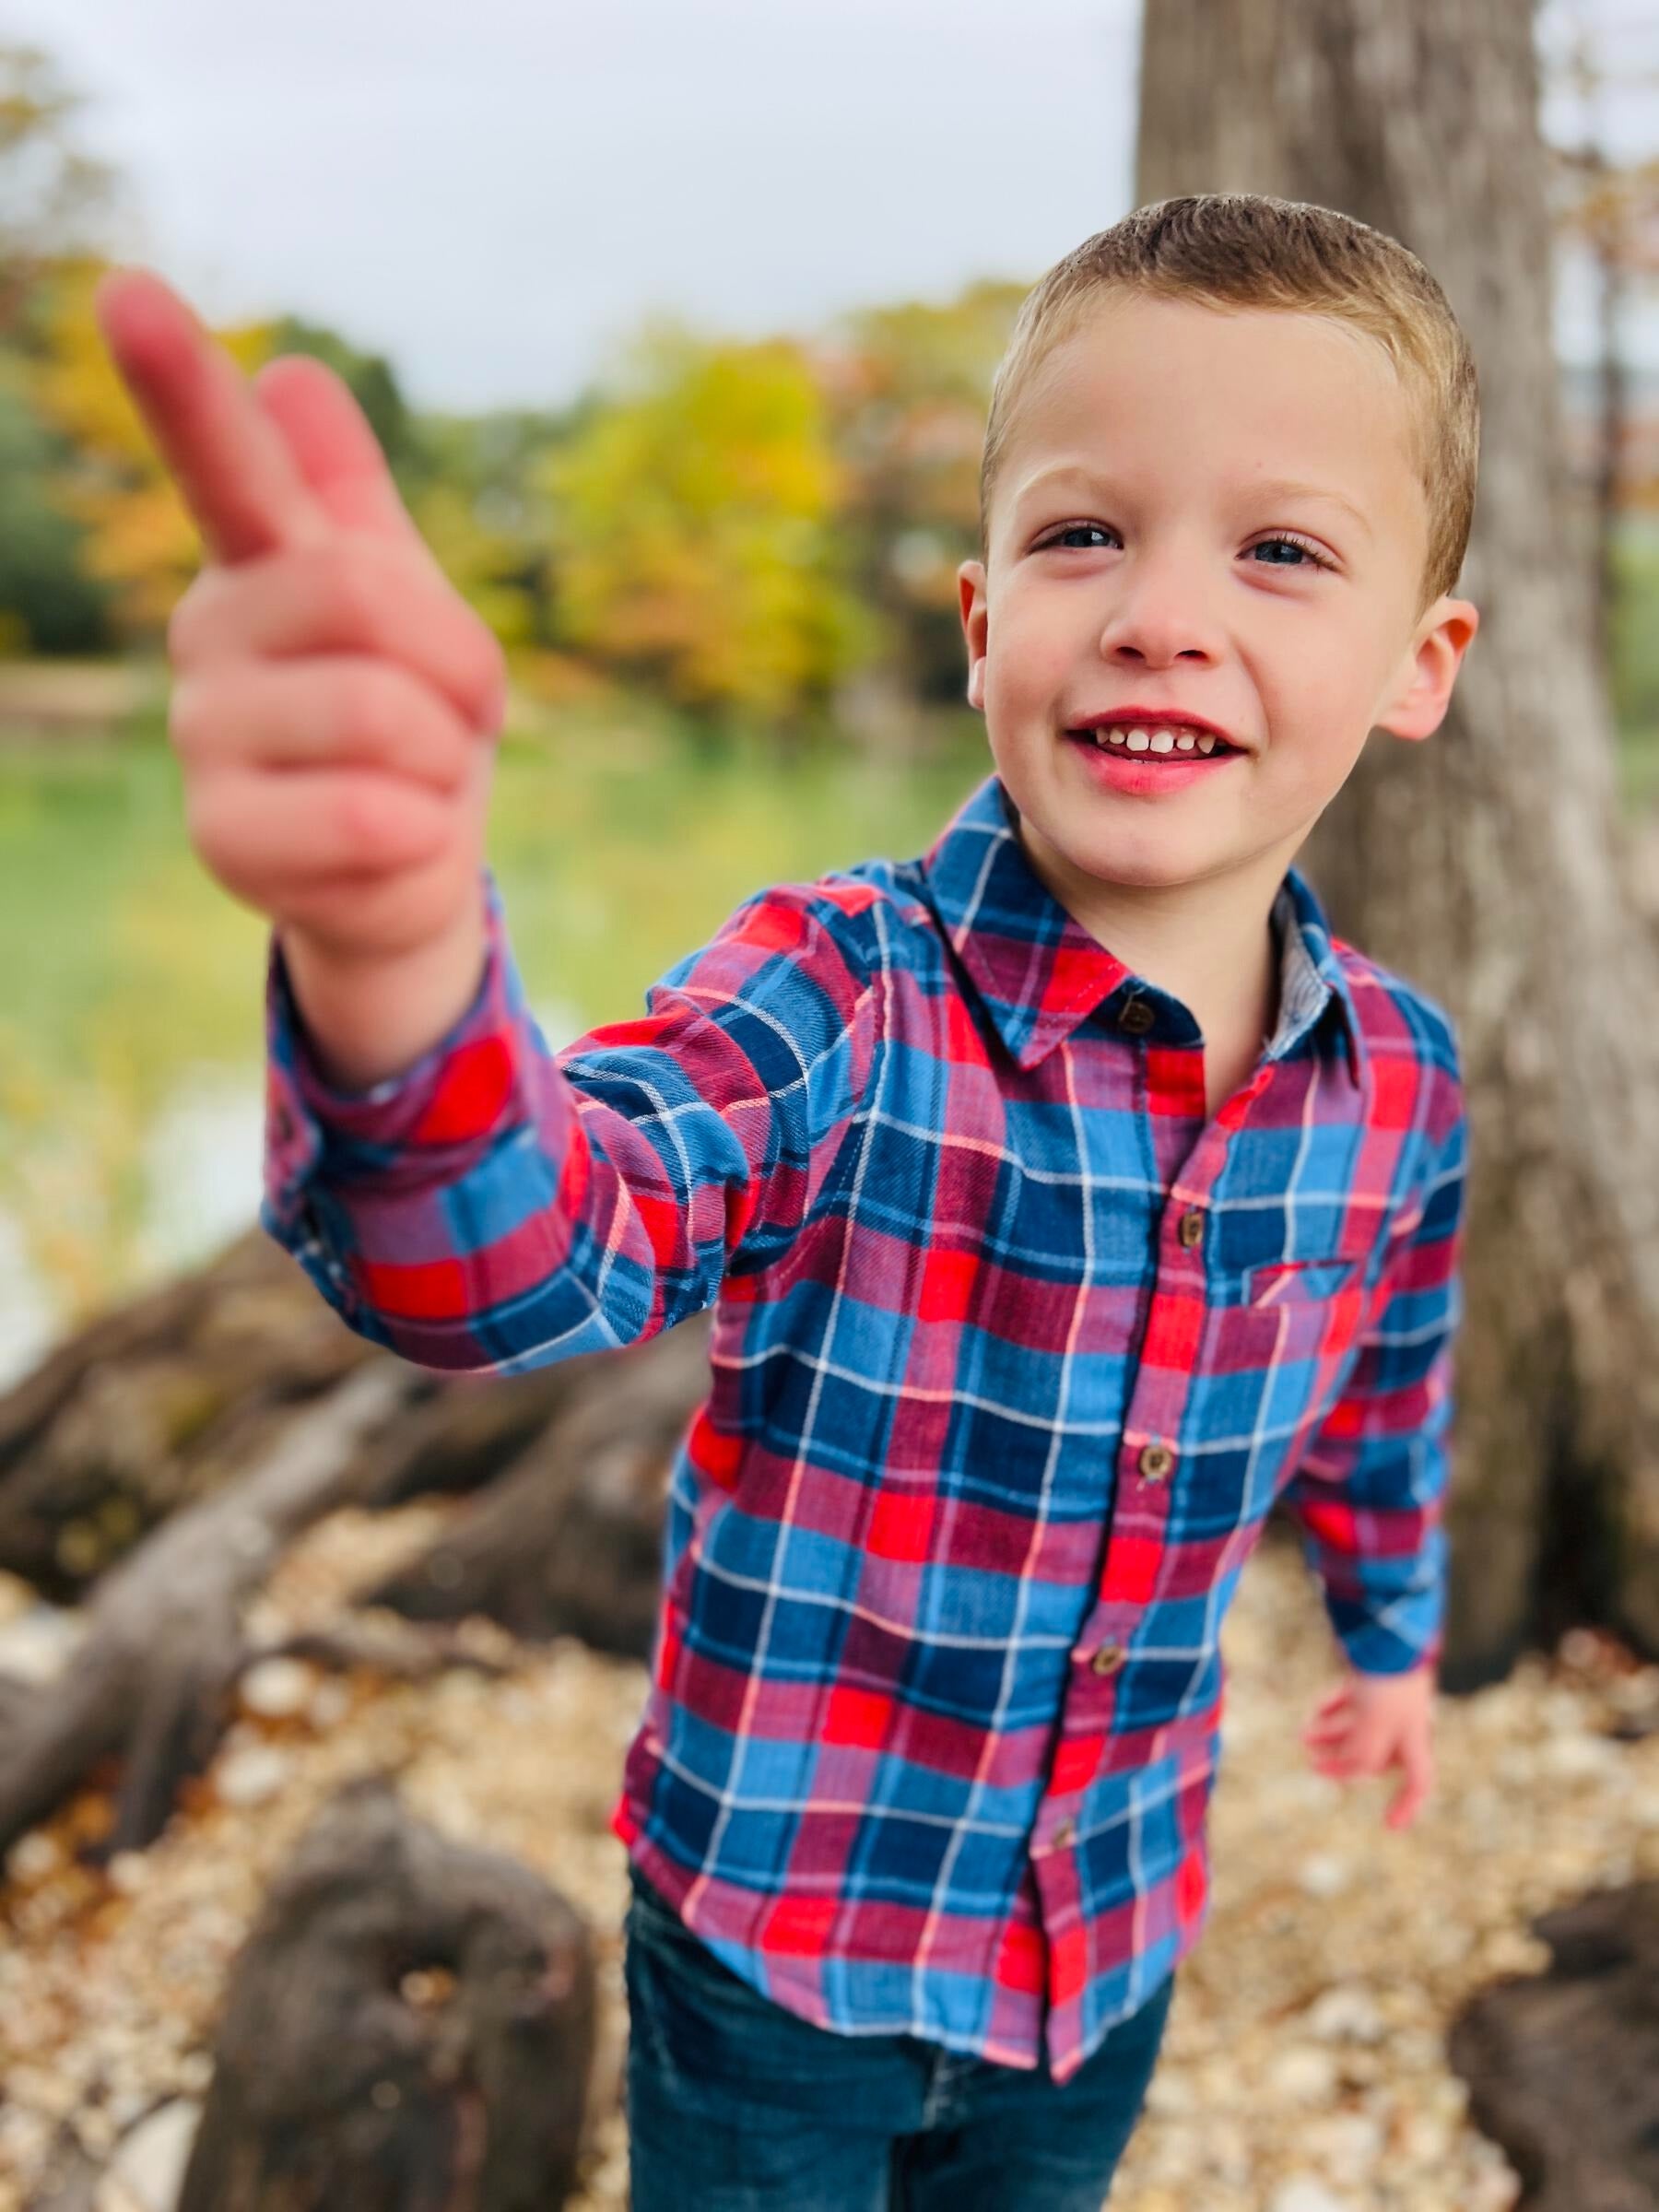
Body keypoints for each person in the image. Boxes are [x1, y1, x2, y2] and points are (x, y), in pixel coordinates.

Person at [96, 190, 1477, 2209]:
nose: (1161, 611)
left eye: (1279, 552)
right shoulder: (843, 993)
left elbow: (1386, 1381)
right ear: (987, 615)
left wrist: (1394, 1631)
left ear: (1416, 664)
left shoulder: (1402, 1082)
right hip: (780, 1949)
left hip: (1103, 1932)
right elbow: (542, 1245)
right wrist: (391, 964)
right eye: (1083, 532)